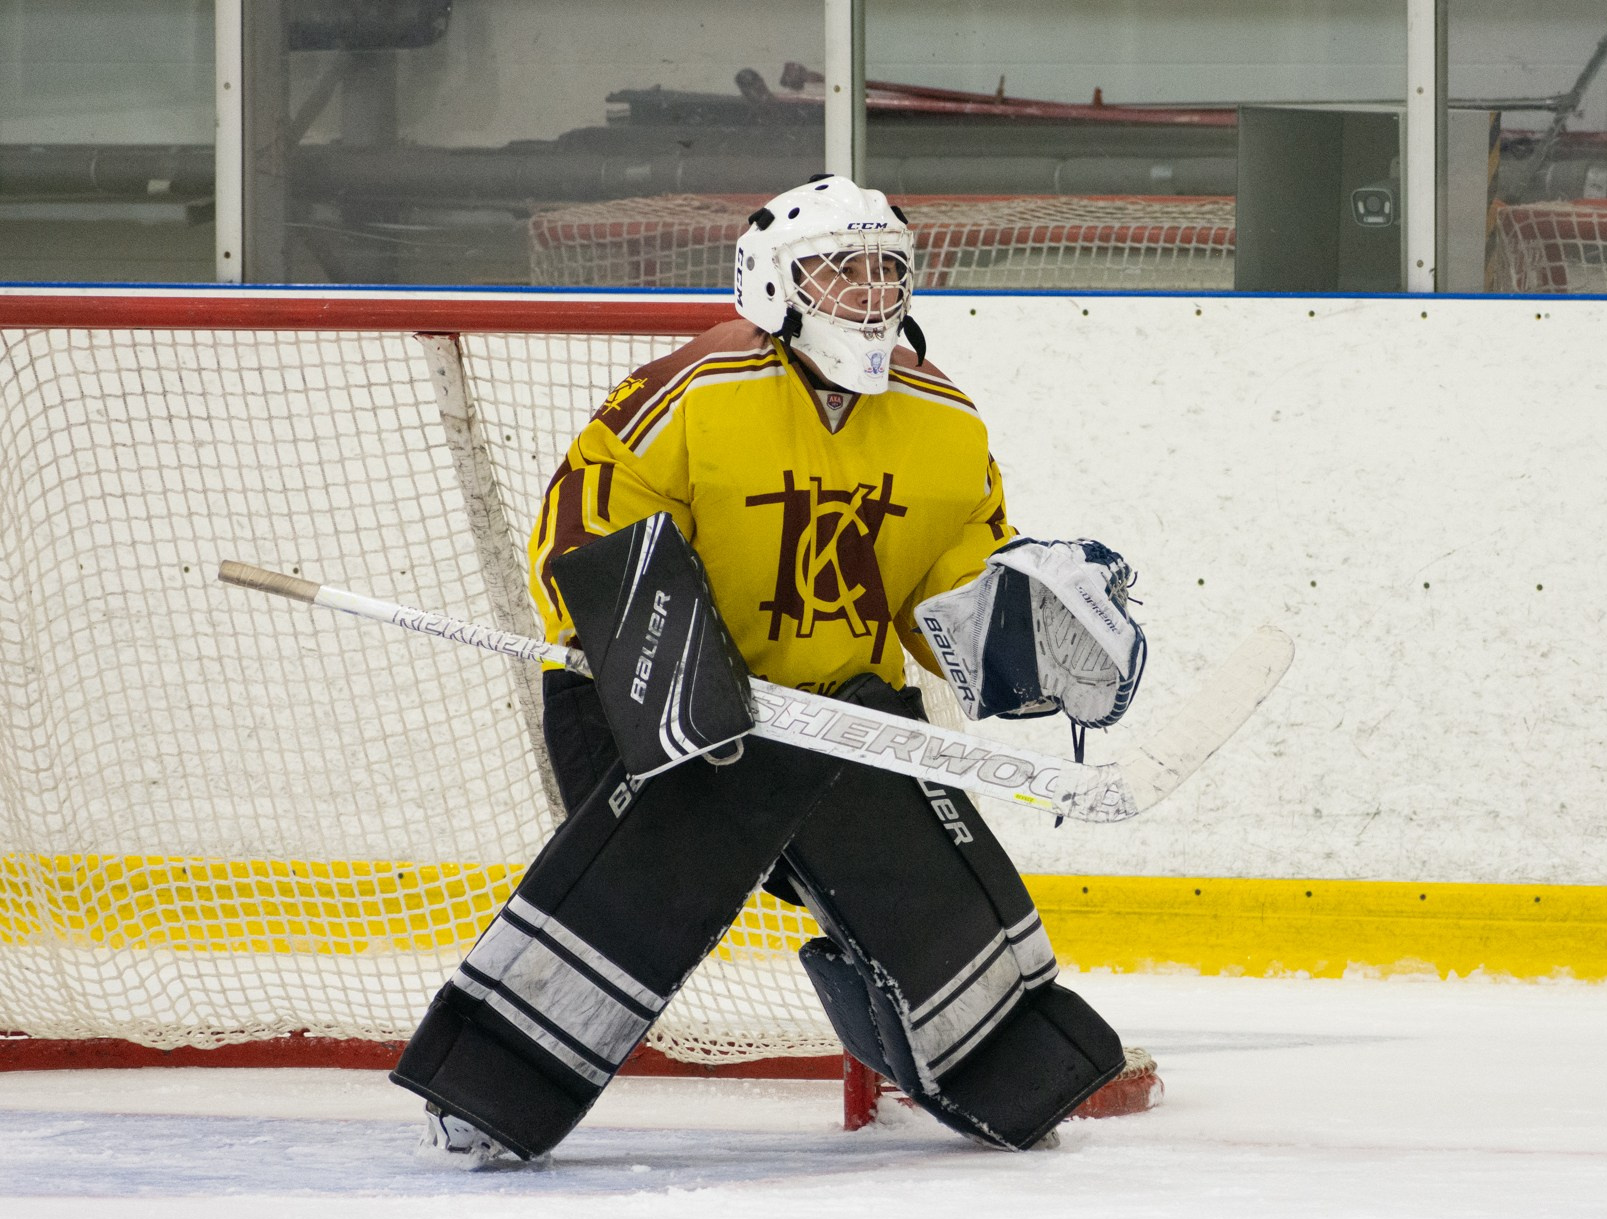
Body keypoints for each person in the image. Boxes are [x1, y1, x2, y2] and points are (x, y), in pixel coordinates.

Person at [390, 175, 1147, 1163]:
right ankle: (486, 1091)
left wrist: (1037, 632)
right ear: (770, 282)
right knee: (635, 896)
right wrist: (675, 671)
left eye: (886, 269)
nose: (868, 293)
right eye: (839, 270)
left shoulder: (944, 422)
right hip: (654, 699)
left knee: (929, 887)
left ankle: (1011, 1075)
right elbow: (578, 535)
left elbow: (948, 606)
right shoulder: (694, 393)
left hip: (835, 713)